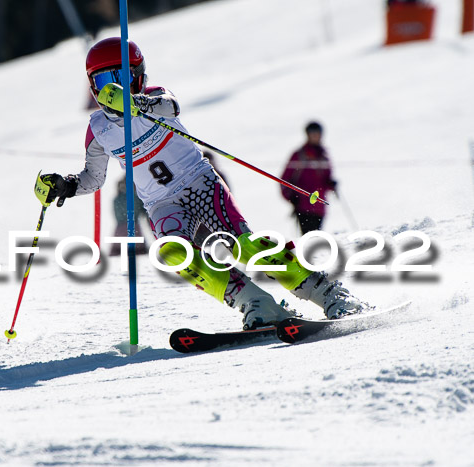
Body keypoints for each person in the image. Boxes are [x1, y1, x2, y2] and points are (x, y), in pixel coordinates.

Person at [34, 37, 366, 328]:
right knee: (173, 253)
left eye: (122, 78)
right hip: (161, 203)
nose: (114, 89)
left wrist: (139, 103)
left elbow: (171, 104)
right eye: (106, 80)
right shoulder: (98, 130)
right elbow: (93, 178)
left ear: (138, 76)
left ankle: (326, 292)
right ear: (93, 86)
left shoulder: (155, 98)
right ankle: (256, 303)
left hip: (200, 185)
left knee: (245, 246)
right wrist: (65, 186)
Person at [281, 121, 337, 234]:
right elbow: (284, 180)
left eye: (317, 133)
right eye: (312, 133)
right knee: (308, 238)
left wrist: (332, 184)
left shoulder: (323, 155)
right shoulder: (299, 155)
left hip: (320, 206)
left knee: (316, 237)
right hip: (303, 206)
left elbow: (327, 178)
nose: (315, 136)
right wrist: (291, 197)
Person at [110, 177, 148, 256]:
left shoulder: (117, 199)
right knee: (139, 252)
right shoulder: (135, 197)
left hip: (119, 230)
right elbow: (144, 211)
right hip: (134, 228)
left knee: (118, 253)